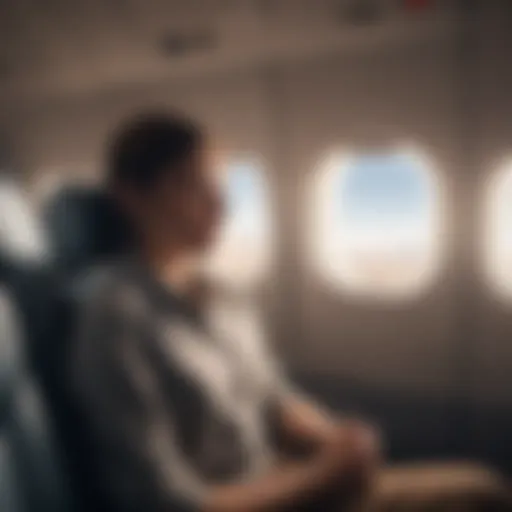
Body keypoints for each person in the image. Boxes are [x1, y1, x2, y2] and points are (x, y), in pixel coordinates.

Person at [70, 111, 381, 512]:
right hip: (244, 499)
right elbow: (167, 502)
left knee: (475, 486)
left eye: (219, 183)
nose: (221, 203)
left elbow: (271, 396)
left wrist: (335, 440)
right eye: (192, 184)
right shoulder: (114, 319)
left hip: (280, 479)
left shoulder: (225, 293)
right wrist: (318, 480)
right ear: (131, 196)